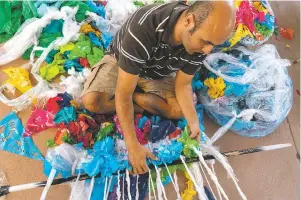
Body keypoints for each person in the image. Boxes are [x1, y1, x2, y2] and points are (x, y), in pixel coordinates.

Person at [81, 1, 235, 174]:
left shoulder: (200, 44)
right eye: (205, 42)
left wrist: (193, 122)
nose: (207, 51)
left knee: (178, 111)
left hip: (155, 72)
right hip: (122, 62)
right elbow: (123, 94)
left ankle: (135, 96)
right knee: (92, 102)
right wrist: (133, 145)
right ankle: (132, 94)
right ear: (188, 21)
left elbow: (183, 84)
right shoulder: (144, 27)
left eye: (213, 44)